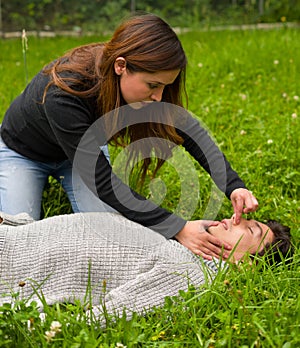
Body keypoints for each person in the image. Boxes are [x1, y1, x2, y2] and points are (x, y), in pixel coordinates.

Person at [0, 13, 258, 258]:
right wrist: (177, 226)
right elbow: (104, 183)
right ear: (121, 66)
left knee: (111, 232)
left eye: (165, 87)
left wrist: (234, 186)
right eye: (153, 86)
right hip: (23, 153)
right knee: (17, 239)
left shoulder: (136, 85)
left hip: (80, 154)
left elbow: (188, 131)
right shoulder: (64, 92)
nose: (158, 97)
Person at [0, 211, 292, 326]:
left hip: (12, 261)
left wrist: (48, 329)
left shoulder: (192, 272)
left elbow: (119, 309)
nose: (235, 218)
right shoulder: (185, 242)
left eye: (250, 229)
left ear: (248, 266)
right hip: (13, 234)